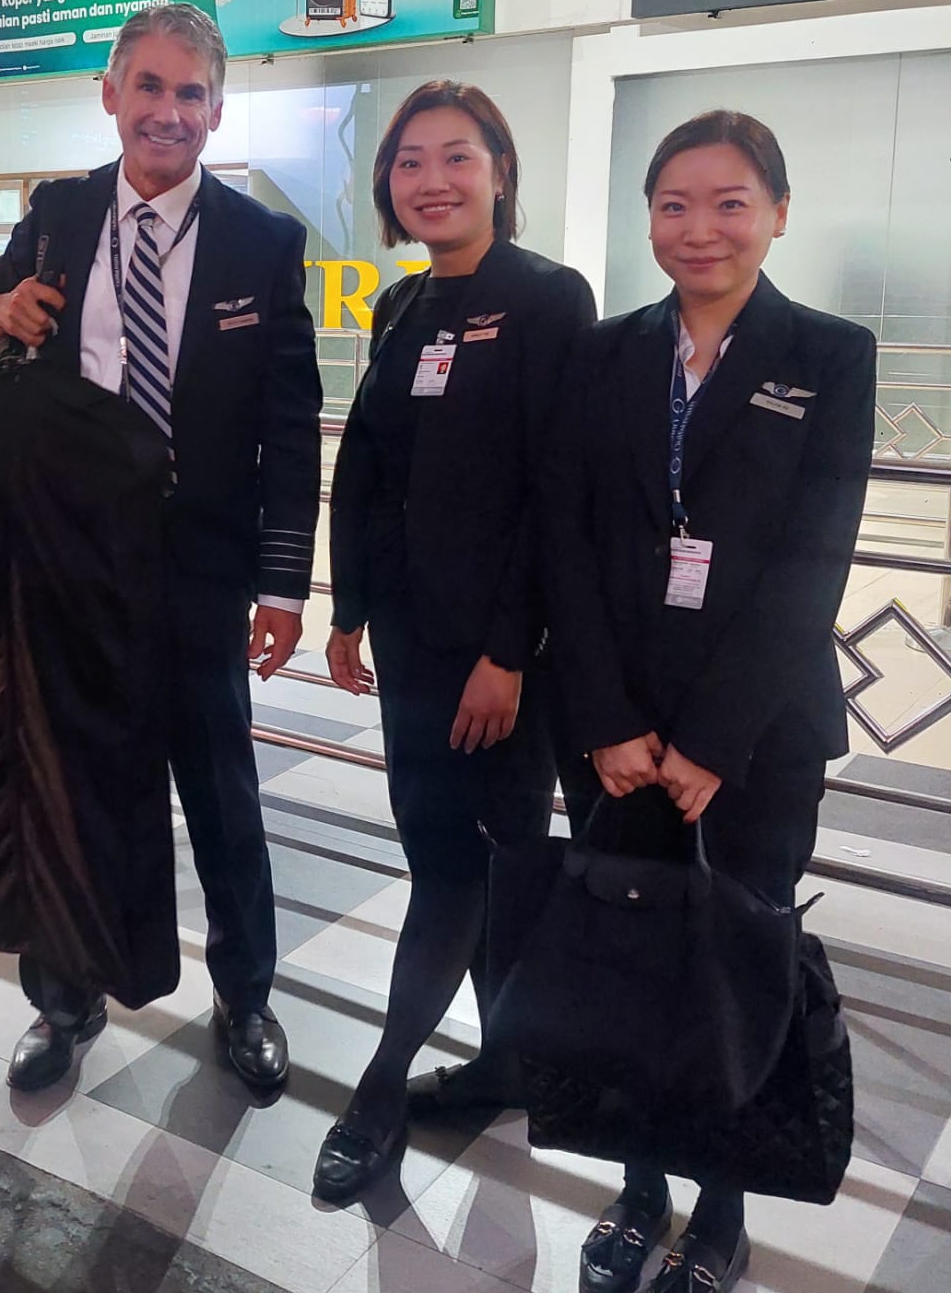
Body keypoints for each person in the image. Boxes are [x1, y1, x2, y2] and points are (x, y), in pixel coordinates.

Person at [0, 3, 322, 1096]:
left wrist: (282, 583)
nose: (169, 111)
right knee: (66, 782)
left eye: (191, 92)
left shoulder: (263, 241)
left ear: (217, 108)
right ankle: (63, 996)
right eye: (150, 86)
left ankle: (245, 994)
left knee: (221, 793)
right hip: (67, 563)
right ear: (111, 94)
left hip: (197, 570)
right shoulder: (60, 213)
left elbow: (288, 423)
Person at [545, 111, 875, 1293]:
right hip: (614, 732)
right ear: (648, 218)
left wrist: (711, 743)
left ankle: (722, 1205)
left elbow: (812, 563)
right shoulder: (606, 351)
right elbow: (569, 539)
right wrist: (604, 720)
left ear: (777, 212)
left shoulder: (830, 354)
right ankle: (638, 1185)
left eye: (730, 202)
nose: (700, 228)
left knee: (737, 967)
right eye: (673, 204)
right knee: (625, 960)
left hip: (758, 738)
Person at [311, 81, 596, 1201]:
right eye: (409, 161)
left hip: (498, 656)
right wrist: (346, 607)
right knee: (468, 858)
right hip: (411, 643)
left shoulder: (548, 300)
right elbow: (365, 463)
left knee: (455, 866)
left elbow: (556, 492)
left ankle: (380, 1089)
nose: (431, 180)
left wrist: (510, 651)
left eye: (456, 157)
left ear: (500, 172)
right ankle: (505, 1062)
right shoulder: (399, 304)